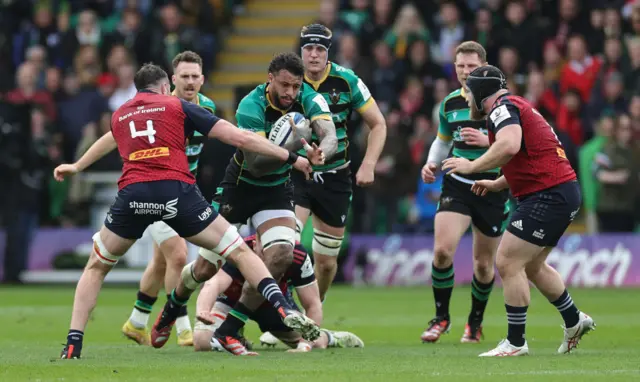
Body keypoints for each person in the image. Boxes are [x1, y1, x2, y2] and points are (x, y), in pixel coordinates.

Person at [54, 63, 323, 359]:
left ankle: (73, 343)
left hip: (133, 196)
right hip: (176, 193)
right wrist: (291, 157)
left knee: (97, 265)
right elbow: (240, 138)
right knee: (239, 252)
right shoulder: (177, 105)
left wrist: (78, 165)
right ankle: (282, 306)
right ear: (166, 87)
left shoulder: (122, 113)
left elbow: (110, 138)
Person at [442, 65, 595, 357]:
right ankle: (574, 320)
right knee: (533, 266)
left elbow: (510, 146)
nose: (469, 99)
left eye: (471, 93)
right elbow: (529, 154)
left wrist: (473, 166)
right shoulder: (518, 105)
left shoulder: (501, 108)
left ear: (480, 94)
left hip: (548, 195)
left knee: (508, 261)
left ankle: (515, 342)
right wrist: (499, 183)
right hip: (561, 191)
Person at [207, 52, 337, 354]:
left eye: (295, 85)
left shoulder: (310, 98)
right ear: (270, 79)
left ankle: (229, 329)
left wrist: (321, 154)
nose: (290, 92)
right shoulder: (249, 106)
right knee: (205, 265)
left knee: (281, 254)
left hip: (276, 190)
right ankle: (173, 306)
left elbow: (329, 134)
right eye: (284, 85)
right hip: (240, 187)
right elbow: (255, 164)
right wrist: (292, 153)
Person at [121, 51, 215, 347]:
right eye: (183, 76)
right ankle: (182, 326)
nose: (189, 82)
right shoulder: (160, 108)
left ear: (202, 79)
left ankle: (137, 322)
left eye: (194, 77)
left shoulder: (207, 106)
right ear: (172, 80)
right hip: (156, 186)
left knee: (161, 261)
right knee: (177, 255)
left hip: (186, 190)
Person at [420, 41, 506, 344]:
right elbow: (443, 140)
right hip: (457, 183)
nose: (466, 72)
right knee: (443, 251)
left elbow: (513, 143)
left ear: (483, 66)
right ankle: (441, 318)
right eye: (460, 66)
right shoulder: (449, 104)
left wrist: (487, 142)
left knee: (483, 264)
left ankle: (475, 322)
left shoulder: (501, 105)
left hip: (492, 187)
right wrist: (431, 163)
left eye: (471, 66)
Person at [295, 23, 386, 301]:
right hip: (297, 172)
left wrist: (369, 163)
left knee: (326, 263)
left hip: (336, 176)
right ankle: (282, 311)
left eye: (319, 49)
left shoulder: (348, 80)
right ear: (300, 51)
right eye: (308, 48)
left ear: (328, 53)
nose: (313, 54)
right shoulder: (289, 80)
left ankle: (313, 311)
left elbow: (378, 124)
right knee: (286, 246)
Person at [193, 232, 364, 355]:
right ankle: (235, 335)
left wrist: (304, 346)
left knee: (315, 343)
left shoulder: (296, 255)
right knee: (202, 341)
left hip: (272, 307)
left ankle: (329, 337)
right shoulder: (242, 249)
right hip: (232, 301)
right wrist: (203, 310)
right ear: (257, 242)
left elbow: (312, 303)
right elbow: (213, 284)